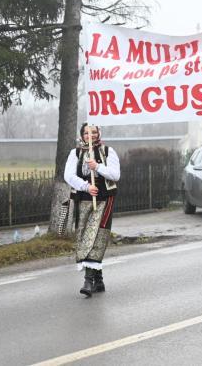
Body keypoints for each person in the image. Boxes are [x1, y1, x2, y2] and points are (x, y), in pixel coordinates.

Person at [64, 123, 120, 298]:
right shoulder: (75, 153)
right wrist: (86, 187)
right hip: (84, 199)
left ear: (99, 133)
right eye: (87, 132)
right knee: (84, 235)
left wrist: (97, 167)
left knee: (96, 235)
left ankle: (88, 281)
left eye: (94, 132)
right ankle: (99, 279)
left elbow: (115, 175)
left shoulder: (108, 151)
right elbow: (69, 176)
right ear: (82, 135)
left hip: (104, 199)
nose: (91, 135)